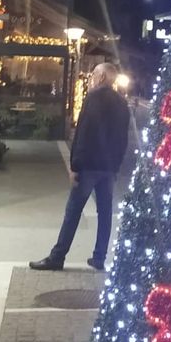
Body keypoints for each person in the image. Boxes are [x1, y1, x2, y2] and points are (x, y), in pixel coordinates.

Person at [30, 62, 130, 272]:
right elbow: (123, 139)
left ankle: (57, 257)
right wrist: (116, 165)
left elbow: (83, 132)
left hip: (89, 166)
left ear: (102, 76)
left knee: (73, 211)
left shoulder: (93, 98)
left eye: (94, 74)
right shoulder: (122, 103)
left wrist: (74, 165)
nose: (92, 77)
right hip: (108, 169)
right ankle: (99, 257)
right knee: (105, 213)